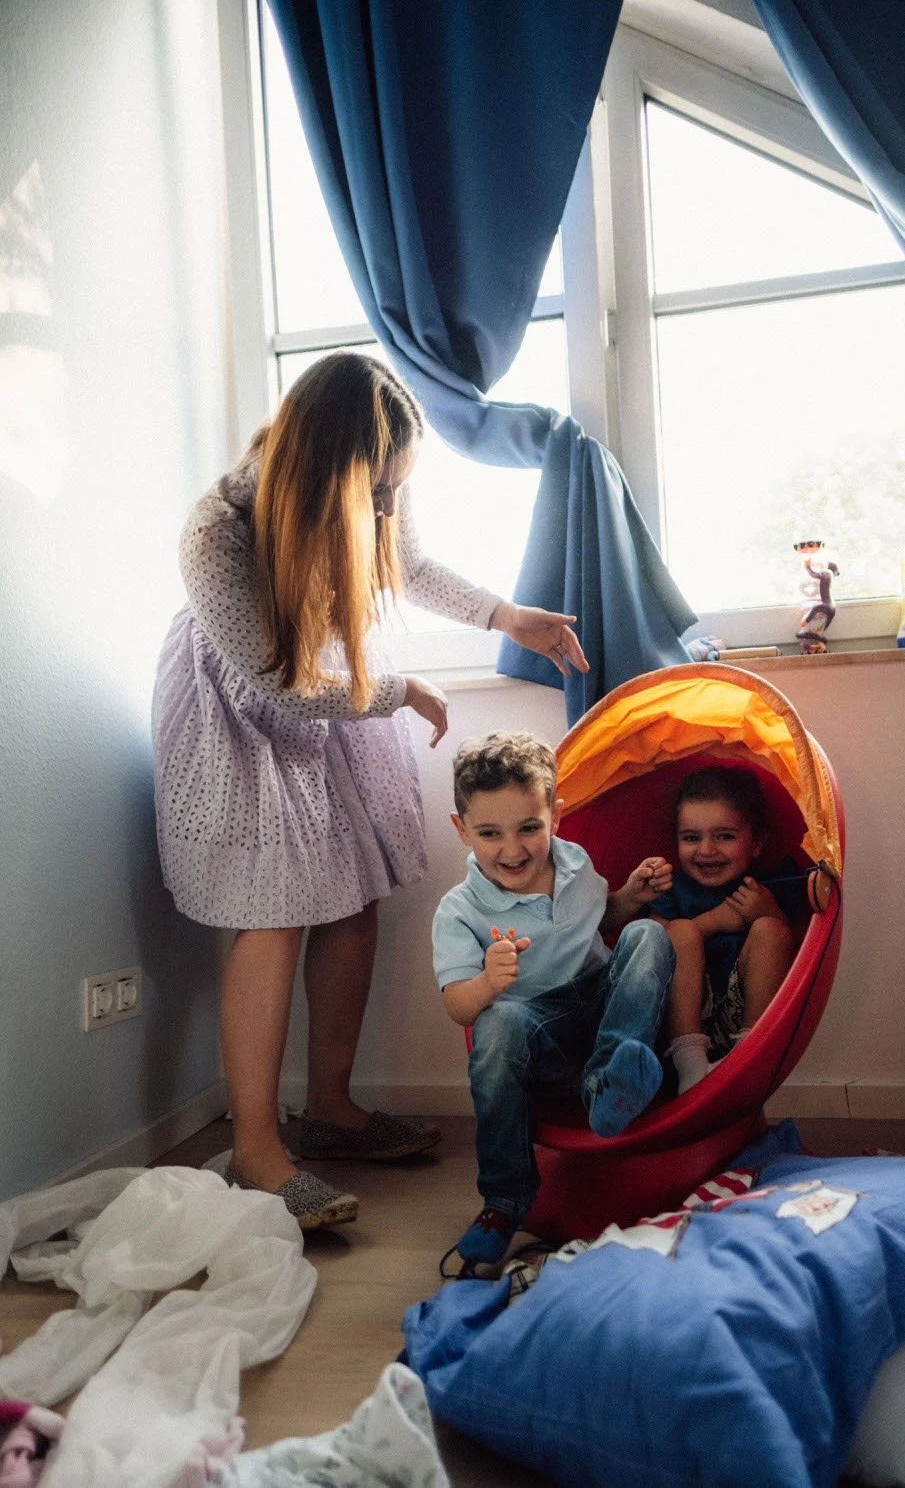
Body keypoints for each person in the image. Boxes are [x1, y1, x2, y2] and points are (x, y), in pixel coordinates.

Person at [152, 353, 589, 1230]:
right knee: (274, 913)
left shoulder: (374, 480)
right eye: (376, 492)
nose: (387, 508)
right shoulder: (217, 532)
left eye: (396, 489)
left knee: (350, 902)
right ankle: (255, 1149)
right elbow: (273, 685)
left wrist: (510, 618)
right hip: (244, 710)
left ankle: (333, 1112)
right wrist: (398, 691)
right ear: (326, 469)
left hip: (328, 686)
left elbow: (408, 564)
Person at [432, 731, 675, 1268]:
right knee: (497, 1023)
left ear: (556, 817)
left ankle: (612, 1080)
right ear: (461, 830)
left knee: (649, 935)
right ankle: (504, 1202)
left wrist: (631, 898)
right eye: (490, 833)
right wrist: (487, 983)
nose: (512, 849)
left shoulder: (575, 862)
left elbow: (602, 921)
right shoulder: (460, 910)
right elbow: (458, 1007)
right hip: (541, 1031)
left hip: (605, 1010)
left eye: (529, 828)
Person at [654, 766, 799, 1096]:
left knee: (771, 931)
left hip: (742, 1018)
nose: (706, 850)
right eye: (691, 838)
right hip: (680, 1026)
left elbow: (803, 953)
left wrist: (770, 913)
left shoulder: (767, 887)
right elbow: (650, 948)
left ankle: (746, 1060)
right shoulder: (670, 887)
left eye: (724, 836)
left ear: (757, 842)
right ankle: (691, 1068)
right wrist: (715, 922)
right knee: (677, 934)